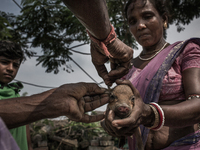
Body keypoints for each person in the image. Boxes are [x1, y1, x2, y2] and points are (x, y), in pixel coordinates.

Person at [101, 0, 200, 150]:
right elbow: (120, 106)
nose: (140, 25)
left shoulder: (186, 52)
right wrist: (111, 123)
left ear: (164, 20)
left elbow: (197, 103)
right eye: (133, 21)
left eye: (147, 16)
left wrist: (151, 114)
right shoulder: (126, 69)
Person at [0, 40, 33, 150]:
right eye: (4, 62)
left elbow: (27, 139)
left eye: (15, 65)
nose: (10, 69)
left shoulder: (16, 94)